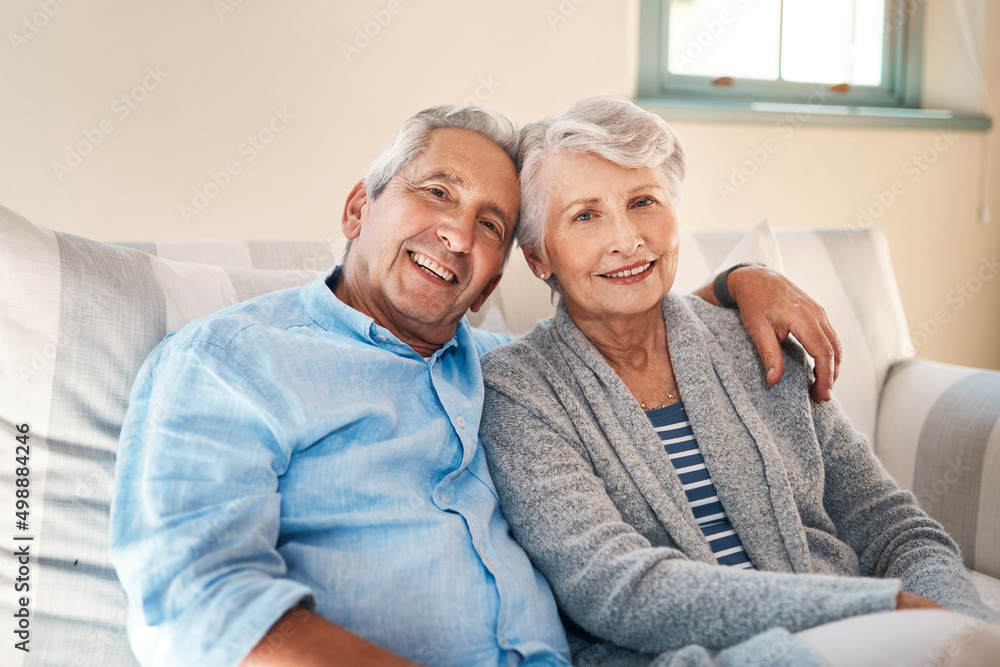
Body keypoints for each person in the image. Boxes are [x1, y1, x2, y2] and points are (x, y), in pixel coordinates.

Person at [110, 102, 845, 667]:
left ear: (498, 275)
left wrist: (743, 282)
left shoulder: (509, 372)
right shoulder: (232, 359)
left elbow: (622, 315)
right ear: (358, 209)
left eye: (490, 224)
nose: (458, 237)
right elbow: (196, 599)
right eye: (436, 192)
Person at [477, 95, 1000, 667]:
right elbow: (619, 590)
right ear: (537, 256)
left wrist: (962, 626)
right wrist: (879, 609)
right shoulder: (518, 389)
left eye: (643, 201)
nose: (627, 239)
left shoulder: (756, 337)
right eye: (585, 215)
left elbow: (891, 525)